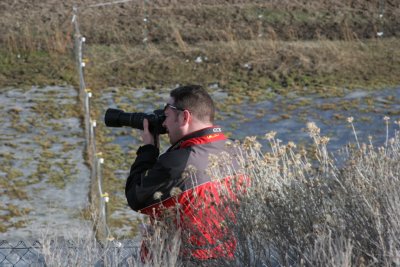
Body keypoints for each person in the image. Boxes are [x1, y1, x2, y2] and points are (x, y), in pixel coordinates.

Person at [125, 85, 240, 263]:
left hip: (183, 259)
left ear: (184, 117)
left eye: (167, 116)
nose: (163, 124)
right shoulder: (238, 150)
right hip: (229, 257)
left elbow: (135, 197)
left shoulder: (180, 161)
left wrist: (148, 149)